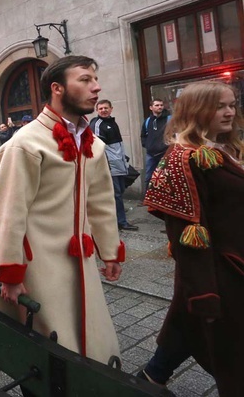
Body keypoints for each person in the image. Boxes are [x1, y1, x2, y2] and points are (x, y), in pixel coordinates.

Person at [0, 55, 125, 366]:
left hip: (81, 261)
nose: (96, 87)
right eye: (85, 79)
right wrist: (10, 273)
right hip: (39, 266)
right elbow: (10, 212)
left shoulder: (95, 144)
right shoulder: (25, 143)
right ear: (57, 88)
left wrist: (109, 252)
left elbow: (102, 203)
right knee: (48, 350)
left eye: (95, 79)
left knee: (91, 343)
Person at [141, 81, 243, 395]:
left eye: (232, 104)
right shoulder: (182, 159)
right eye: (219, 106)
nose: (229, 112)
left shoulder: (230, 148)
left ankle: (152, 376)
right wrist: (204, 297)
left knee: (183, 331)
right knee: (231, 356)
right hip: (223, 274)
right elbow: (188, 240)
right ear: (197, 111)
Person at [89, 100, 139, 231]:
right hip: (110, 165)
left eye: (106, 108)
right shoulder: (97, 124)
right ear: (97, 110)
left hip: (119, 162)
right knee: (116, 194)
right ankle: (121, 222)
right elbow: (97, 147)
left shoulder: (112, 122)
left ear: (111, 109)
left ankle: (112, 217)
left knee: (120, 190)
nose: (103, 110)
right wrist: (105, 165)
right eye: (100, 108)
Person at [141, 98, 171, 193]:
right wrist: (147, 145)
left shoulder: (169, 119)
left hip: (165, 153)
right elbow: (143, 135)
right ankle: (149, 198)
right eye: (157, 105)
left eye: (161, 105)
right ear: (151, 107)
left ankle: (165, 199)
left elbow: (176, 134)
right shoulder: (148, 121)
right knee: (149, 177)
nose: (160, 107)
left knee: (166, 177)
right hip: (151, 154)